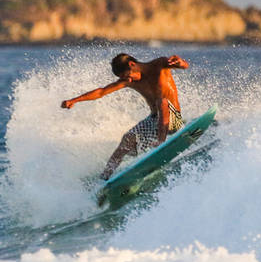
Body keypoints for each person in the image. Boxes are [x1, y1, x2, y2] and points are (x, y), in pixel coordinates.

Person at [61, 53, 189, 179]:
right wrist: (74, 100)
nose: (128, 80)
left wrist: (180, 62)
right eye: (124, 78)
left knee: (162, 102)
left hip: (174, 120)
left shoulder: (159, 65)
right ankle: (105, 177)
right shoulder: (129, 81)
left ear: (132, 64)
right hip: (155, 120)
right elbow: (101, 92)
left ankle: (161, 143)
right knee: (128, 139)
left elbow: (184, 65)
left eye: (127, 76)